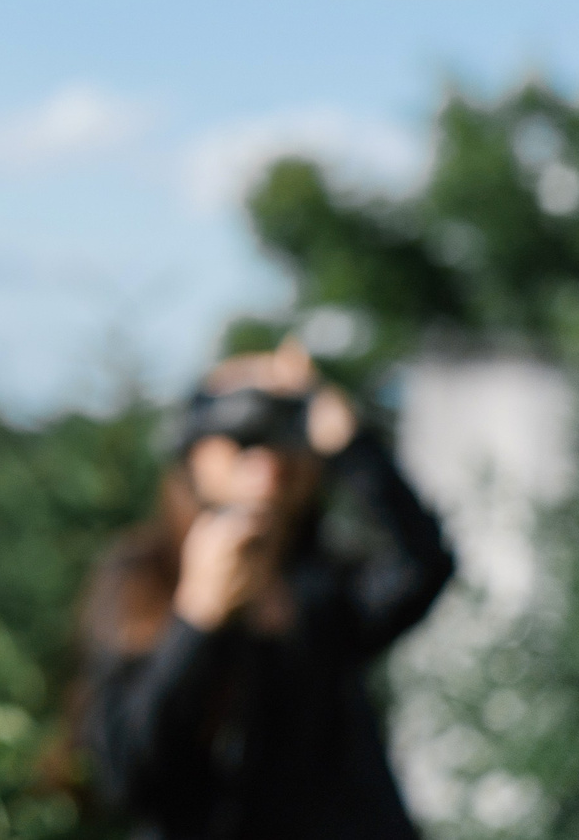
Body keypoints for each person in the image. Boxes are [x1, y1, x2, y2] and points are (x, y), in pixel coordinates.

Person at [78, 342, 455, 839]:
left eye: (283, 435)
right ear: (194, 454)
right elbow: (130, 775)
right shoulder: (143, 578)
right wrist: (197, 621)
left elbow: (422, 564)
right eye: (242, 437)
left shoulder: (320, 587)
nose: (267, 461)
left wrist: (347, 441)